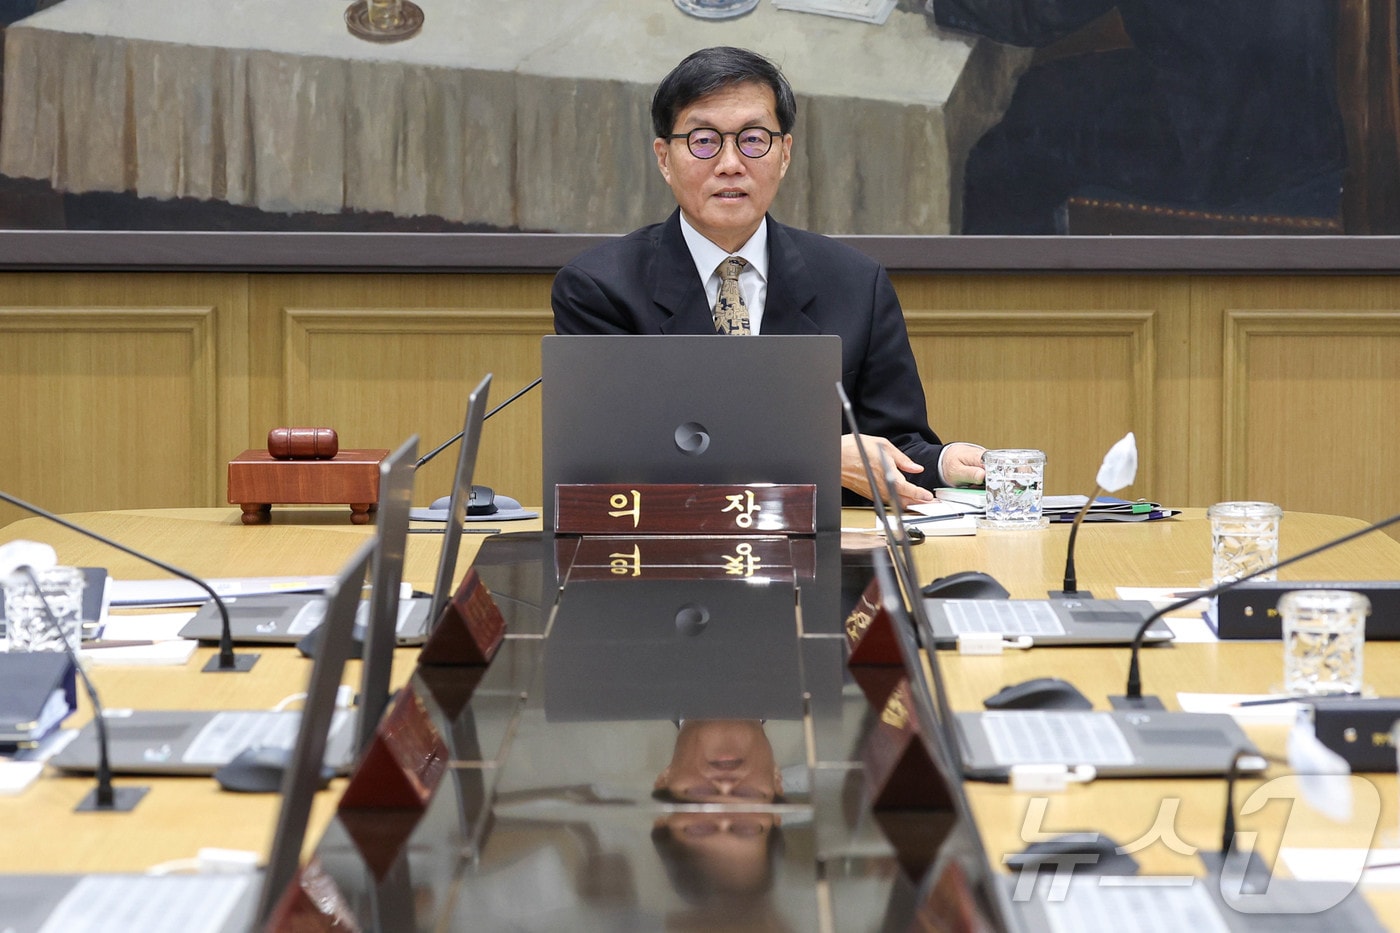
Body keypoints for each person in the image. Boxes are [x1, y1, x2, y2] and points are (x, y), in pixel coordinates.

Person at [551, 46, 984, 508]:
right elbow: (622, 452)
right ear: (664, 157)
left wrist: (942, 463)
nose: (731, 163)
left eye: (753, 139)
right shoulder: (600, 287)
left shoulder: (857, 283)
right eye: (703, 140)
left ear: (784, 154)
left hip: (820, 559)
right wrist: (813, 455)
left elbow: (887, 444)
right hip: (667, 554)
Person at [927, 0, 1346, 233]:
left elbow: (1033, 15)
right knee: (1036, 92)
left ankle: (1024, 341)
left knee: (1000, 155)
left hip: (1213, 144)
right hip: (1310, 120)